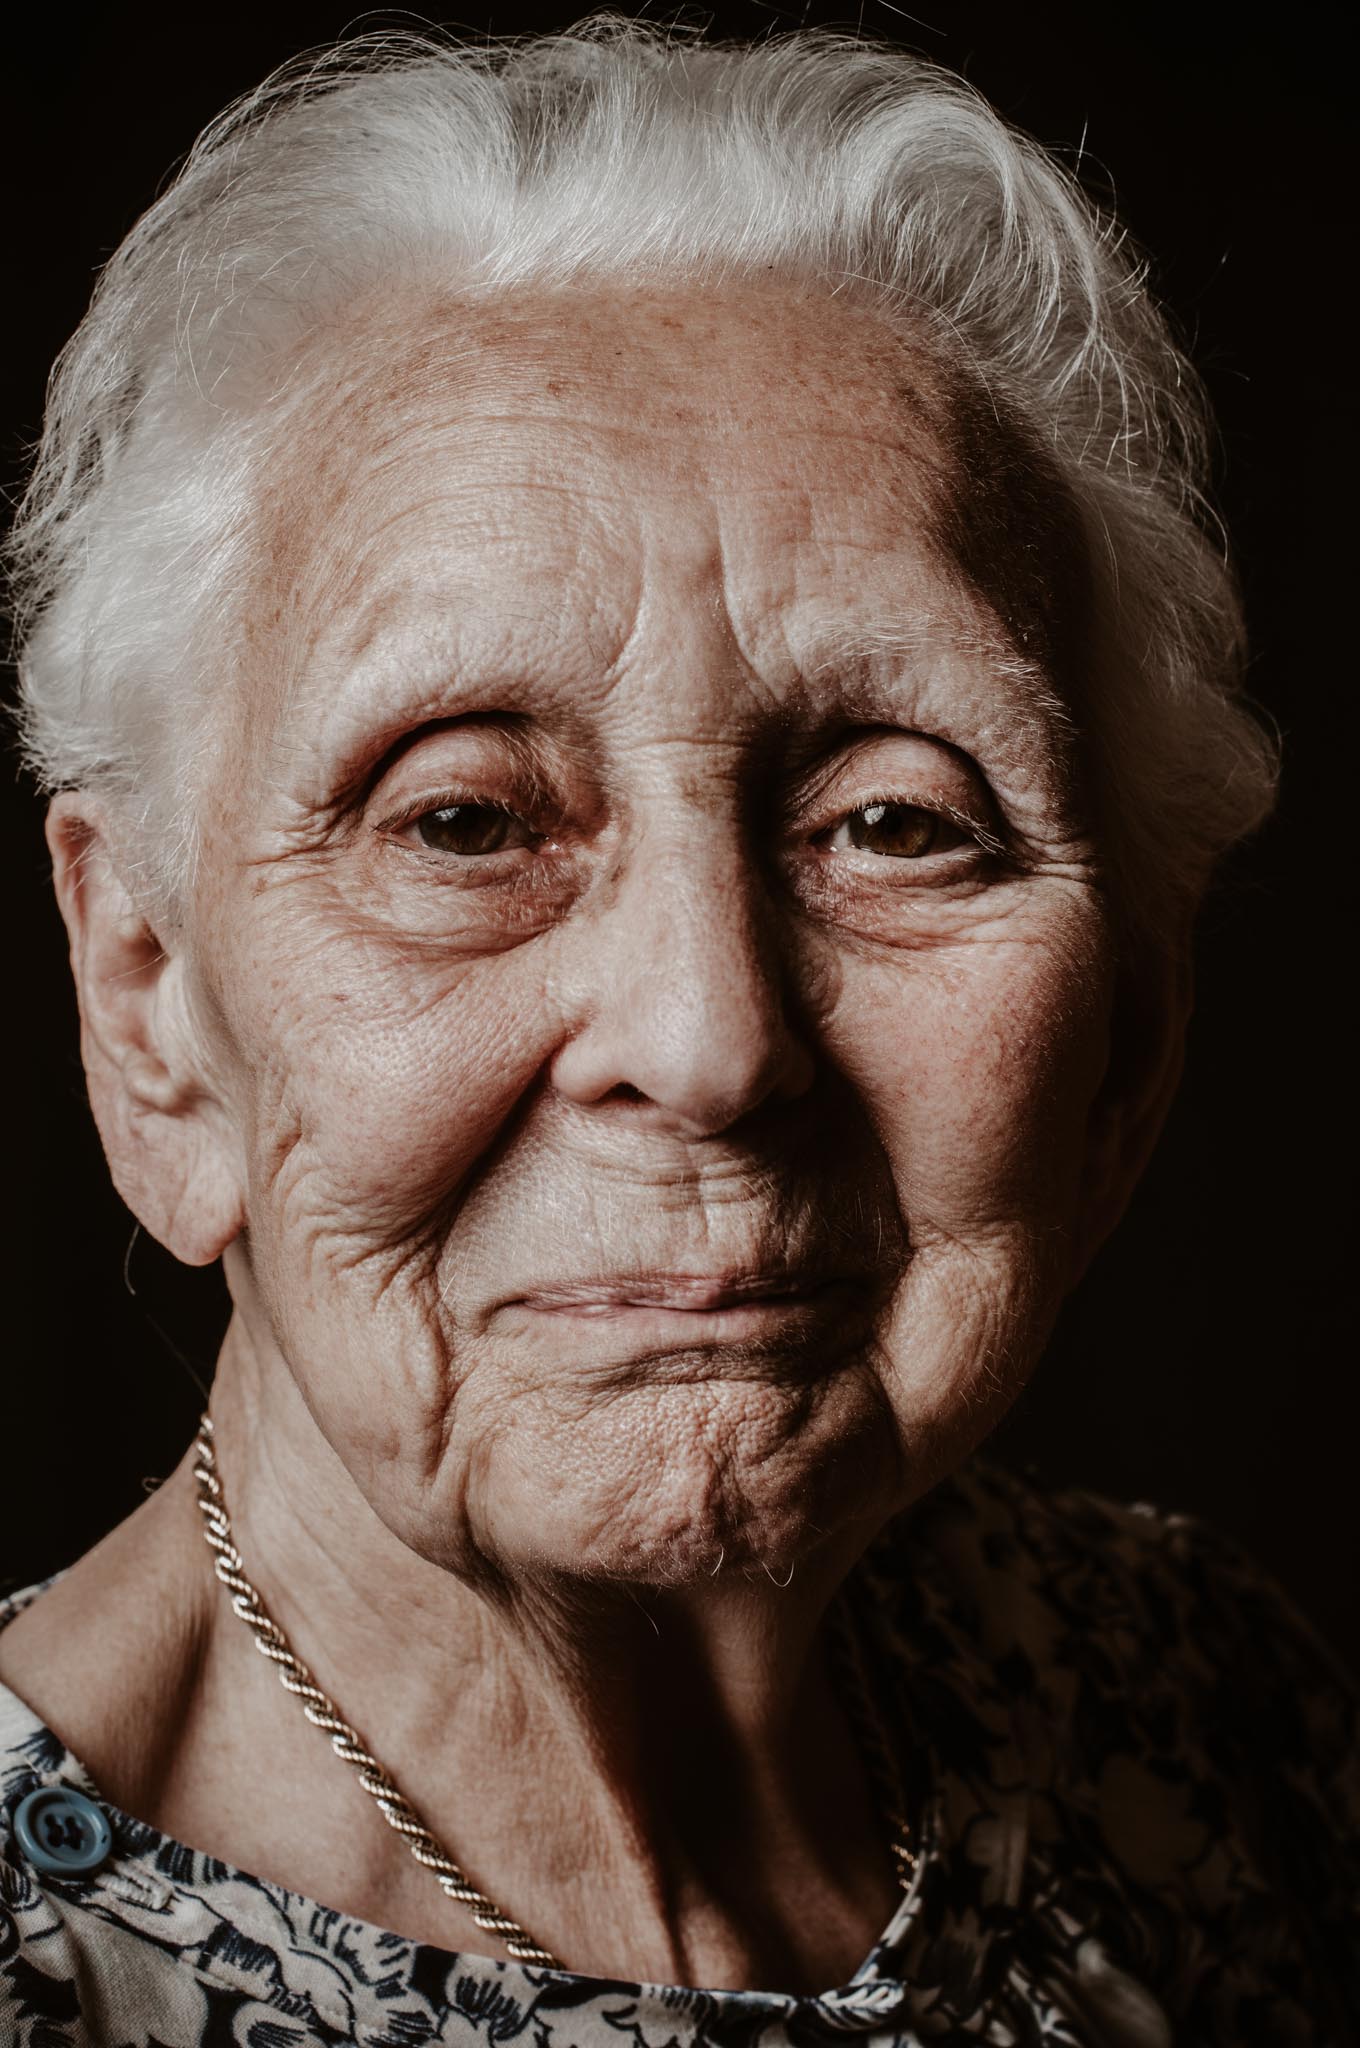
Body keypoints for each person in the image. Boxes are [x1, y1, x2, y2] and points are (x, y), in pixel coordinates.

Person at [1, 16, 1354, 2045]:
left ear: (1127, 1047)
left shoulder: (1197, 1705)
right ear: (150, 1006)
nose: (709, 1042)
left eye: (894, 822)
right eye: (461, 820)